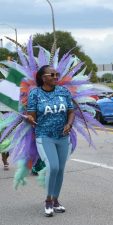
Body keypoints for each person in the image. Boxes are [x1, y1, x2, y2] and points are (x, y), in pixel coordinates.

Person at [26, 65, 75, 217]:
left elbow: (71, 111)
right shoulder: (35, 94)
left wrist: (69, 124)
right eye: (52, 74)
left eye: (57, 74)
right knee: (53, 167)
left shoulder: (63, 91)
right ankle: (48, 201)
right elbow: (32, 116)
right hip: (44, 135)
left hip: (63, 136)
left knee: (60, 169)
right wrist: (30, 119)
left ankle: (55, 200)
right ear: (43, 77)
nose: (56, 76)